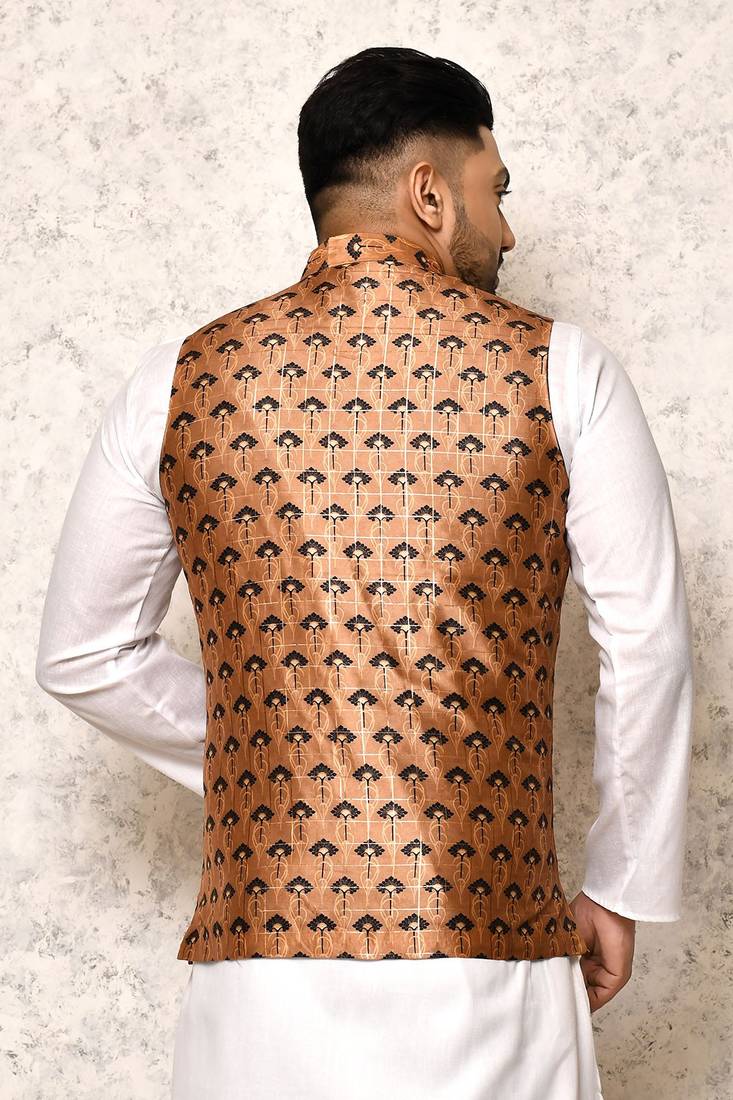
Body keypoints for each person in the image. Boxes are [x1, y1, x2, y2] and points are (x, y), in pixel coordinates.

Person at [35, 46, 694, 1100]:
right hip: (491, 957)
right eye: (496, 192)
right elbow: (646, 644)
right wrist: (619, 884)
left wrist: (284, 757)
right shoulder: (563, 369)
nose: (509, 232)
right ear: (429, 194)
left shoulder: (178, 380)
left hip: (256, 980)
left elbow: (84, 653)